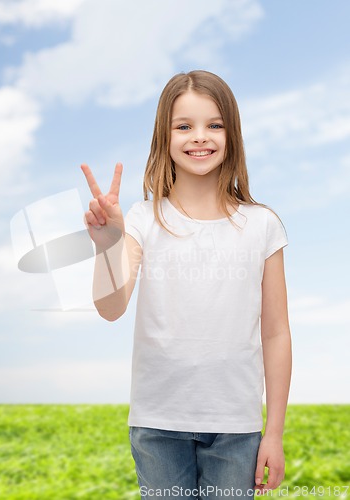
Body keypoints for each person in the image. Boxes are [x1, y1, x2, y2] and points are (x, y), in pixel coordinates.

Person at [81, 70, 292, 500]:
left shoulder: (262, 224)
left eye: (214, 125)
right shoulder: (142, 219)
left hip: (237, 428)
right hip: (158, 424)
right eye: (184, 126)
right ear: (165, 136)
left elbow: (275, 332)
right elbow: (111, 307)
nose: (200, 137)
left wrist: (274, 433)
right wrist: (108, 244)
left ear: (232, 133)